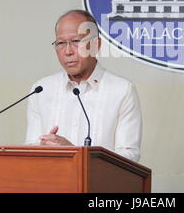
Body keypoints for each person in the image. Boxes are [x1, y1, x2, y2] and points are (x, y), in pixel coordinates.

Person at [25, 9, 142, 162]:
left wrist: (76, 155)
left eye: (76, 42)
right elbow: (30, 147)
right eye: (60, 43)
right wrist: (41, 148)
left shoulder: (121, 90)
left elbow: (130, 156)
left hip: (99, 185)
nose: (67, 51)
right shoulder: (41, 90)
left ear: (96, 45)